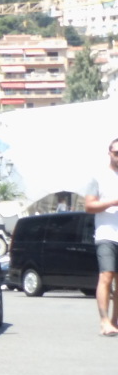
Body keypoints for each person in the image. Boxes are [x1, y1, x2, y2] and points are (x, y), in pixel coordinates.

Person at [82, 137, 118, 337]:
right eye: (116, 153)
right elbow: (89, 206)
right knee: (106, 276)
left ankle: (114, 321)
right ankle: (104, 321)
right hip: (106, 235)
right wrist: (113, 202)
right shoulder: (99, 177)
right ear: (109, 153)